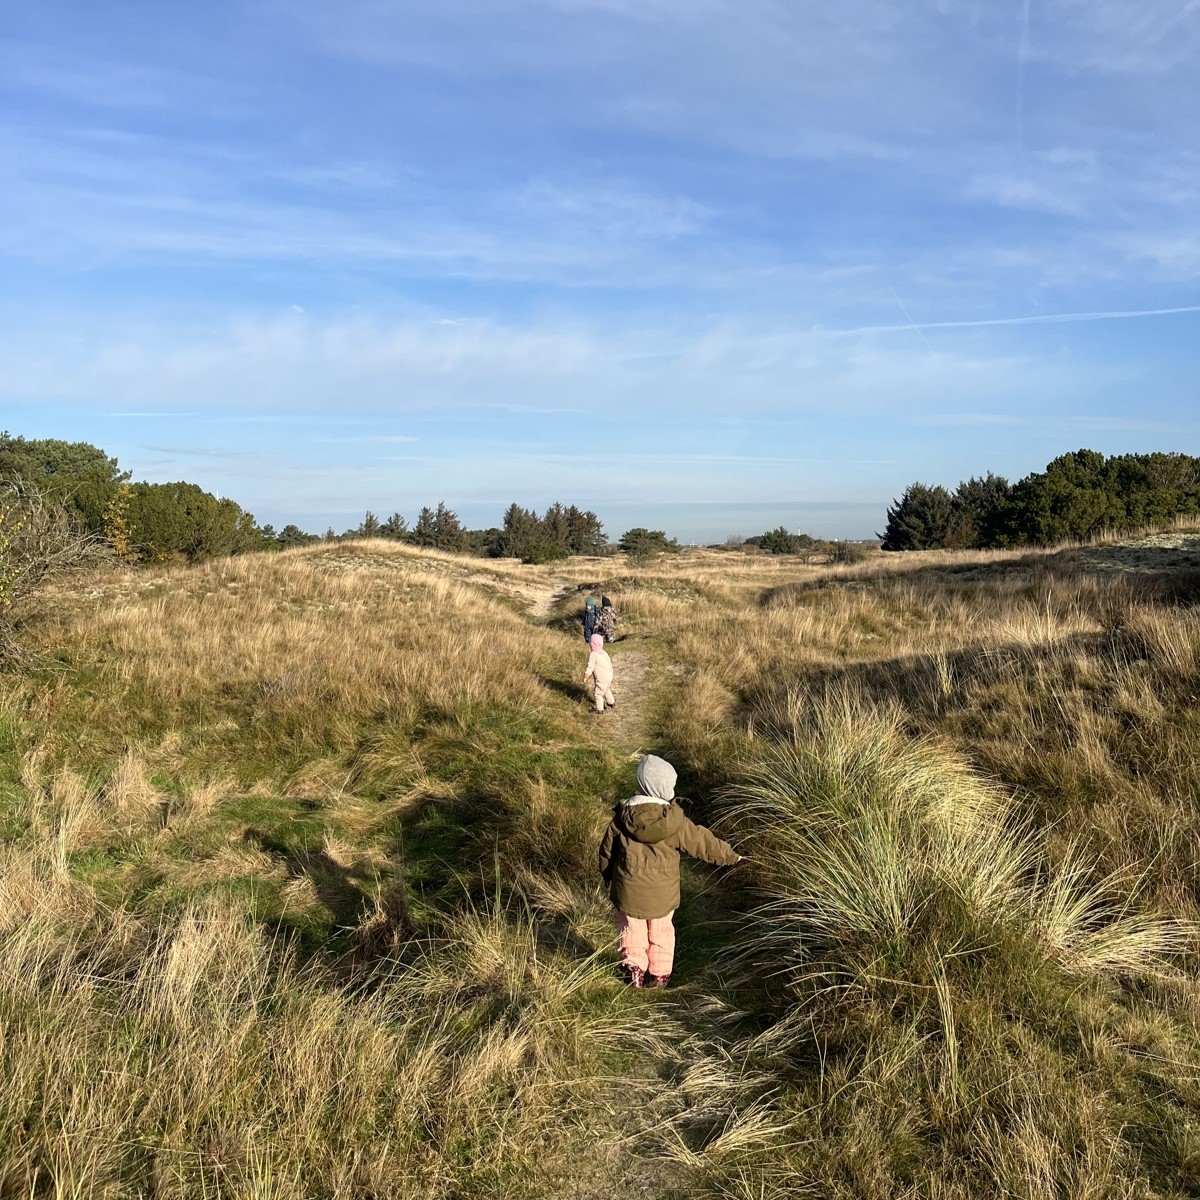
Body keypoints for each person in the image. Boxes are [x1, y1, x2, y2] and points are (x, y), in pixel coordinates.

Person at [598, 754, 742, 988]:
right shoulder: (676, 823)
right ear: (666, 789)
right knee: (662, 932)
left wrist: (607, 875)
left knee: (631, 929)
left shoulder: (621, 820)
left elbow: (607, 852)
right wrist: (730, 856)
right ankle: (660, 975)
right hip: (663, 896)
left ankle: (633, 970)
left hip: (628, 892)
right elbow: (703, 843)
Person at [583, 633, 615, 715]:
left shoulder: (593, 654)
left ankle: (599, 709)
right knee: (606, 689)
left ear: (592, 645)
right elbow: (609, 664)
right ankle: (611, 702)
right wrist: (611, 673)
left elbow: (590, 667)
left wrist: (586, 676)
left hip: (601, 678)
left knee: (598, 693)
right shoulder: (604, 653)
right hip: (609, 676)